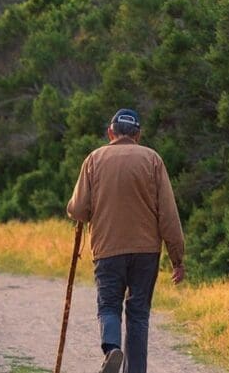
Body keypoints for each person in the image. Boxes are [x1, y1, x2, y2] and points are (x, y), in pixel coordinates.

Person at [66, 109, 185, 373]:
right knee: (138, 313)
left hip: (107, 249)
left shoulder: (94, 159)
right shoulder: (152, 159)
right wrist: (177, 257)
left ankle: (112, 348)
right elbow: (168, 214)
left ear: (111, 132)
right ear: (138, 134)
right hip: (146, 251)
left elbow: (77, 210)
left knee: (109, 306)